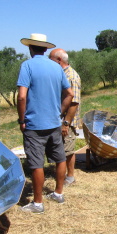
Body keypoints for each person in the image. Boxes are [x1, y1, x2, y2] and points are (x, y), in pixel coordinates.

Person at [17, 33, 74, 214]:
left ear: (30, 48)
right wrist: (59, 111)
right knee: (59, 158)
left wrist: (22, 119)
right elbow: (70, 94)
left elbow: (22, 96)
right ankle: (58, 193)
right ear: (45, 49)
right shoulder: (56, 67)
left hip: (34, 125)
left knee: (36, 163)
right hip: (54, 123)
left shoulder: (27, 66)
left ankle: (38, 203)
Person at [49, 48, 81, 187]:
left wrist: (66, 123)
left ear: (59, 60)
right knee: (61, 149)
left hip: (68, 121)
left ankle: (70, 176)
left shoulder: (71, 77)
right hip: (59, 119)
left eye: (51, 59)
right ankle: (62, 173)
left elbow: (74, 103)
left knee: (68, 150)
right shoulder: (62, 74)